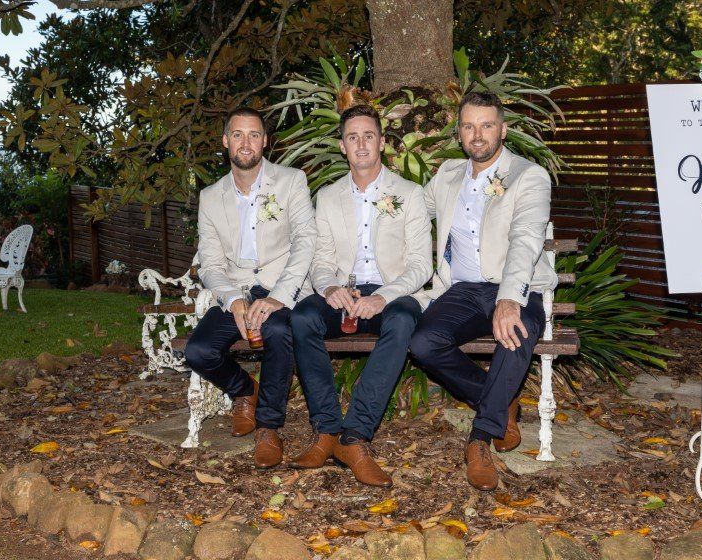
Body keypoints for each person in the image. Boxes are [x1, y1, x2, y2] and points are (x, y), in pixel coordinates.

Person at [409, 91, 557, 491]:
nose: (478, 135)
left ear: (502, 129)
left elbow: (526, 239)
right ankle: (498, 399)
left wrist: (510, 299)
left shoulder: (528, 176)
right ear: (459, 133)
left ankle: (480, 439)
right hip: (463, 289)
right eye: (470, 126)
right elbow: (411, 213)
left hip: (515, 287)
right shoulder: (447, 175)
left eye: (487, 125)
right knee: (423, 343)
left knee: (516, 331)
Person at [289, 105, 432, 486]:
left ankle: (355, 436)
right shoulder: (329, 196)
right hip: (343, 292)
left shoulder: (410, 194)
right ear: (342, 146)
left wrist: (383, 296)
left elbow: (421, 265)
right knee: (302, 318)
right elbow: (319, 259)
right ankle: (326, 430)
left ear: (382, 143)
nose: (362, 144)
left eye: (369, 135)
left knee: (403, 321)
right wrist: (330, 287)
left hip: (393, 293)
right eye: (353, 137)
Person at [184, 106, 316, 468]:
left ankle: (269, 427)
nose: (246, 142)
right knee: (198, 350)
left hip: (281, 288)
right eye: (238, 135)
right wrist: (232, 300)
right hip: (236, 289)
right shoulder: (211, 197)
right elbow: (210, 263)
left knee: (277, 329)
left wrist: (278, 297)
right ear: (226, 142)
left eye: (254, 135)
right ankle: (244, 390)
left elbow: (306, 242)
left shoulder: (291, 181)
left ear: (265, 141)